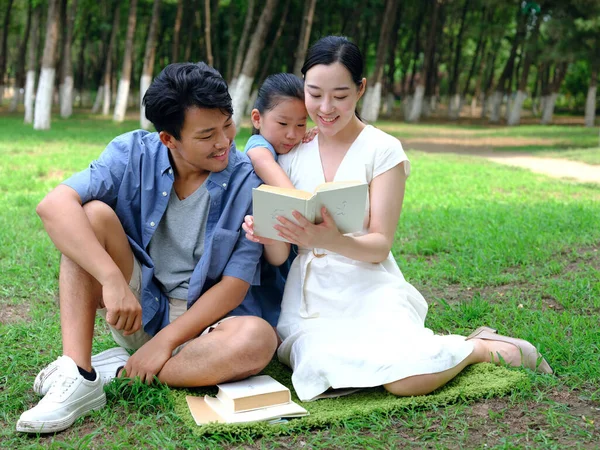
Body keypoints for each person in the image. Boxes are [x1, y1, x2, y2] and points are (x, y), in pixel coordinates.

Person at [243, 36, 552, 402]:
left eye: (340, 96)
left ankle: (480, 347)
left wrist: (327, 239)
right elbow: (280, 257)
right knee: (323, 372)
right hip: (310, 299)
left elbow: (379, 246)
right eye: (314, 94)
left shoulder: (382, 149)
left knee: (404, 380)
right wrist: (267, 236)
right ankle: (434, 349)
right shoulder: (293, 151)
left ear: (361, 90)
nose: (325, 108)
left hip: (368, 287)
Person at [17, 62, 278, 433]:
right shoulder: (132, 153)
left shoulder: (247, 179)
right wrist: (111, 279)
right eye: (206, 135)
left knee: (258, 339)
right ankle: (77, 370)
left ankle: (117, 371)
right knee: (89, 217)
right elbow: (53, 206)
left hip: (206, 328)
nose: (223, 142)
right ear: (169, 139)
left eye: (227, 125)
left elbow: (234, 285)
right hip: (138, 307)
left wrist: (167, 341)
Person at [243, 73, 309, 326]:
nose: (292, 134)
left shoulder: (295, 148)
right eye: (283, 124)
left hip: (282, 242)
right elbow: (262, 161)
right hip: (260, 247)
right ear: (257, 118)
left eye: (301, 125)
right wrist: (301, 202)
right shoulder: (258, 145)